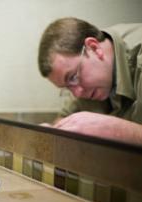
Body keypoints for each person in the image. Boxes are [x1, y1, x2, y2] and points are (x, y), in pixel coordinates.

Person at [37, 17, 142, 145]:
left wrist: (112, 129)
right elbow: (63, 119)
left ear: (94, 47)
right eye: (67, 88)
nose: (77, 94)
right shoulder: (81, 82)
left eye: (72, 77)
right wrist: (52, 131)